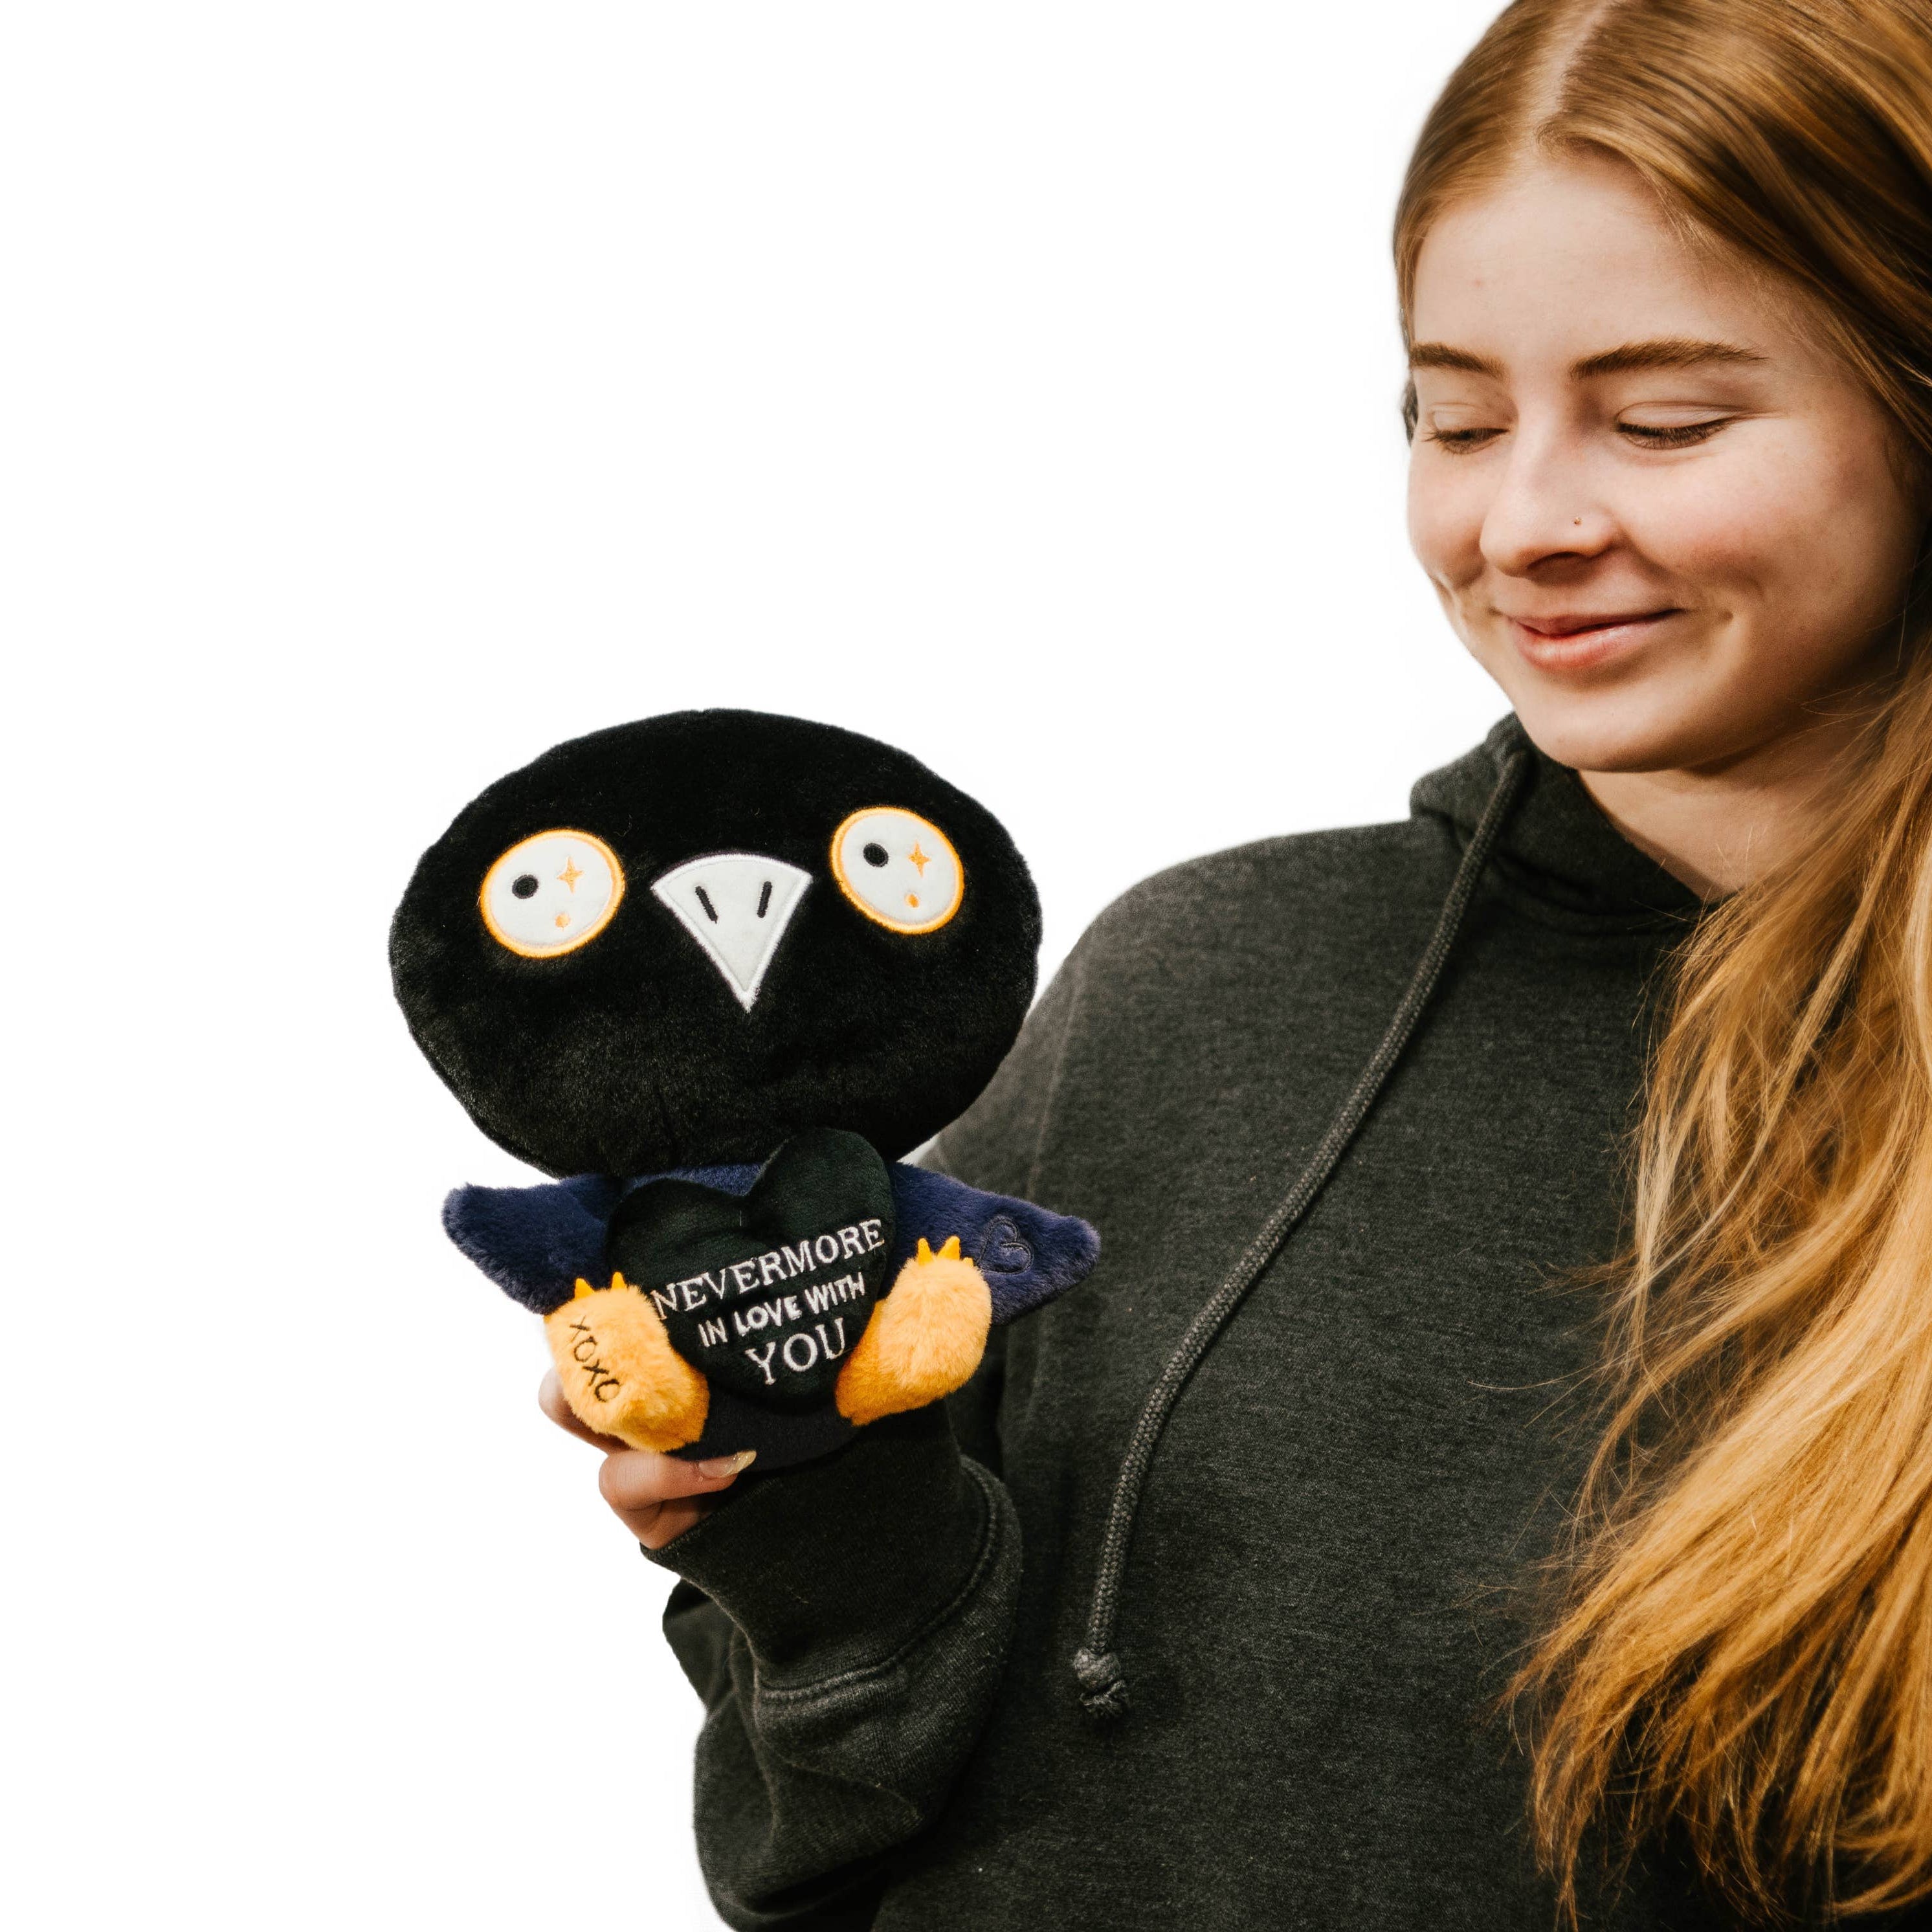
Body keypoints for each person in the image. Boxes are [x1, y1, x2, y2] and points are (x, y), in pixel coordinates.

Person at [539, 1, 1932, 1924]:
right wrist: (812, 1554)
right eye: (1450, 415)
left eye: (1663, 421)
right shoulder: (1188, 985)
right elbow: (810, 1821)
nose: (1519, 521)